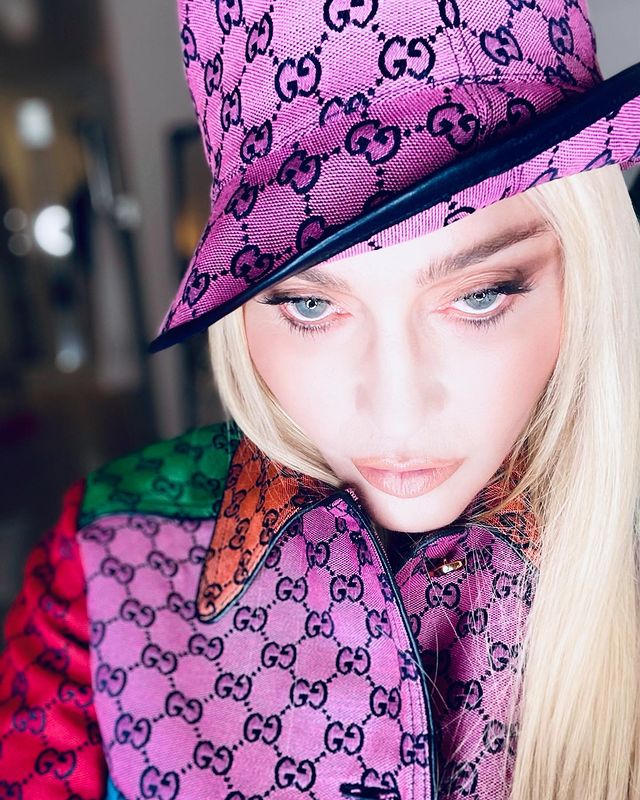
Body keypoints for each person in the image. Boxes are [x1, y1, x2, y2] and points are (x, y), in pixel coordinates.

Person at [1, 0, 640, 799]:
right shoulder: (106, 554)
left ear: (587, 268)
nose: (397, 409)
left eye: (479, 296)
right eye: (310, 305)